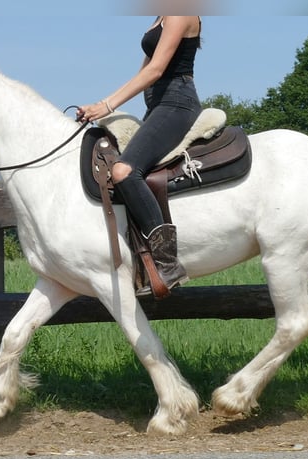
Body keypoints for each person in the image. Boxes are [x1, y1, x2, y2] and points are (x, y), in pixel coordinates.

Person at [77, 15, 202, 295]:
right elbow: (141, 76)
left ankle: (167, 265)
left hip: (176, 102)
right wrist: (100, 105)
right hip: (158, 105)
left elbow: (156, 70)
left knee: (123, 171)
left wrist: (105, 106)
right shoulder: (159, 17)